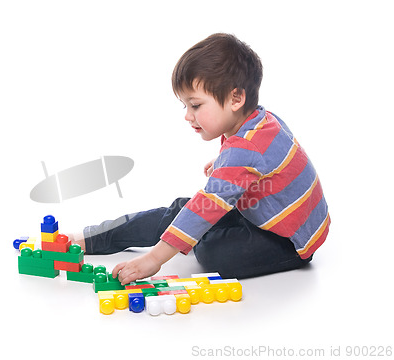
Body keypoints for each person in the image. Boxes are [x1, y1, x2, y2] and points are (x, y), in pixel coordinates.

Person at [69, 33, 330, 285]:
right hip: (260, 212)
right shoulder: (260, 121)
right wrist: (222, 165)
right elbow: (267, 161)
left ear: (235, 98)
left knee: (212, 252)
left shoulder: (246, 148)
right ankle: (91, 239)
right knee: (180, 212)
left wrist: (154, 259)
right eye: (185, 106)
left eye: (195, 105)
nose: (187, 115)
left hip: (289, 241)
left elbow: (216, 194)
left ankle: (187, 235)